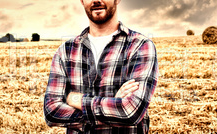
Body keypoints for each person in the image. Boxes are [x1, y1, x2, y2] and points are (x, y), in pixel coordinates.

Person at [43, 0, 158, 133]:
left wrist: (73, 99)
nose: (96, 0)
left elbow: (130, 111)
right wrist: (113, 104)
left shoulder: (140, 46)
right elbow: (51, 112)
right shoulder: (65, 51)